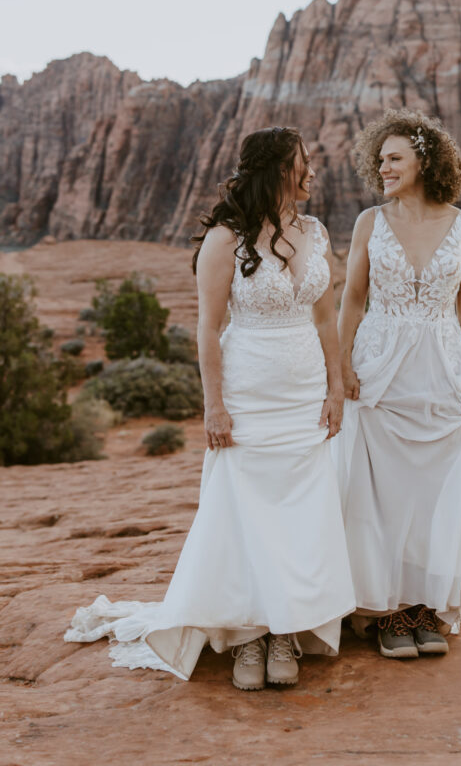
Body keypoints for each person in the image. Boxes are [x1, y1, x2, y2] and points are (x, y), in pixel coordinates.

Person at [65, 126, 355, 688]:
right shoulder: (227, 238)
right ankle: (246, 636)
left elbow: (325, 319)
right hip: (248, 394)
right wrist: (214, 406)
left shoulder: (315, 232)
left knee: (300, 512)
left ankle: (284, 629)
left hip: (304, 398)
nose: (312, 170)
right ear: (276, 170)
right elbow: (207, 328)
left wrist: (336, 387)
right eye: (303, 161)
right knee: (244, 510)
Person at [335, 108, 461, 659]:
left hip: (443, 368)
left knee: (434, 494)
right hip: (379, 369)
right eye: (379, 159)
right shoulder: (368, 222)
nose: (382, 167)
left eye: (394, 158)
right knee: (382, 495)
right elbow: (352, 298)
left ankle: (427, 606)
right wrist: (344, 367)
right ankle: (388, 612)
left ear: (424, 161)